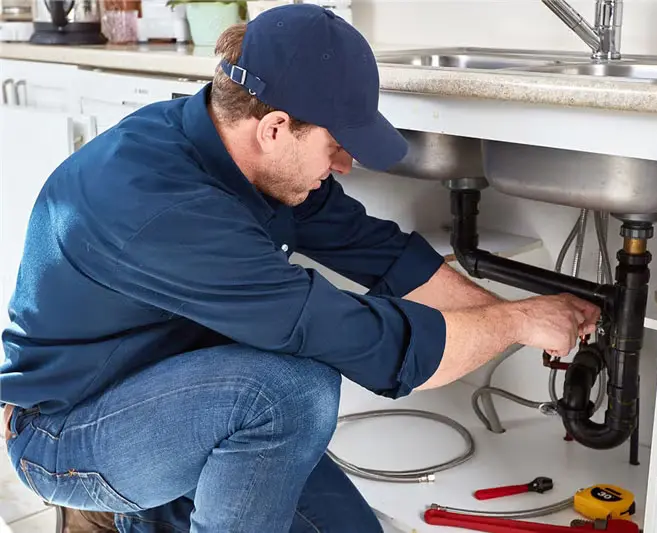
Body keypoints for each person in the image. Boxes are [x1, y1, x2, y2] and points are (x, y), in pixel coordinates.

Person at [0, 4, 600, 532]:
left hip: (182, 392)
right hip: (69, 433)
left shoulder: (242, 154)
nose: (343, 165)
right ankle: (127, 511)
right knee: (291, 391)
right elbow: (366, 344)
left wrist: (506, 313)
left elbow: (380, 251)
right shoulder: (163, 206)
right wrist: (519, 324)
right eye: (335, 145)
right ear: (275, 127)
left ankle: (164, 509)